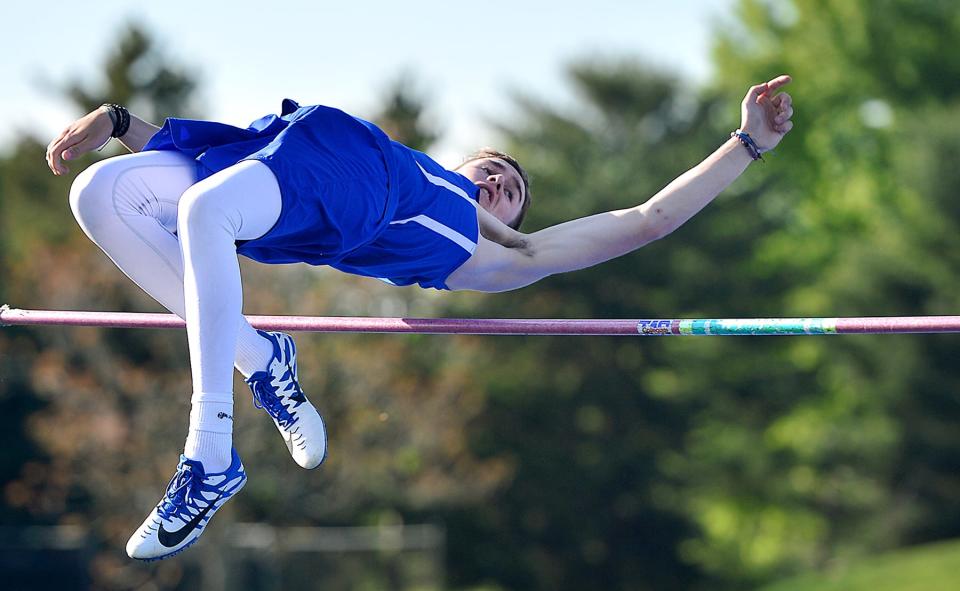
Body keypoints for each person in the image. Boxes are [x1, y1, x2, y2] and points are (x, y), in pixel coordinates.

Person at [46, 75, 794, 561]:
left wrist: (746, 145)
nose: (503, 178)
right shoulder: (415, 163)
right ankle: (261, 359)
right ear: (456, 164)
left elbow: (646, 219)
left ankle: (210, 452)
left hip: (342, 187)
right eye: (493, 165)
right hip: (294, 149)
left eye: (515, 190)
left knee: (206, 210)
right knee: (99, 197)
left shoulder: (484, 250)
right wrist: (116, 119)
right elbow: (217, 157)